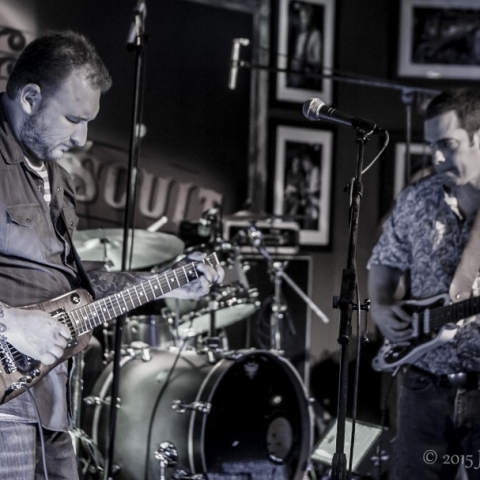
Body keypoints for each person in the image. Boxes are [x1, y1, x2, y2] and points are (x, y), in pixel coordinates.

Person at [0, 30, 224, 479]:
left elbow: (82, 290)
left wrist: (171, 279)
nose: (83, 137)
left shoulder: (55, 177)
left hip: (51, 399)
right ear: (29, 98)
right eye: (72, 118)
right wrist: (10, 322)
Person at [368, 88, 480, 479]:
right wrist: (380, 306)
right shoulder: (418, 198)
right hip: (423, 385)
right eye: (432, 146)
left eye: (448, 145)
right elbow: (383, 262)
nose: (436, 157)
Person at [287, 2, 322, 89]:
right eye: (301, 18)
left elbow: (317, 60)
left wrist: (306, 63)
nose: (303, 21)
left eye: (305, 18)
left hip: (309, 74)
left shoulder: (316, 35)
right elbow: (297, 56)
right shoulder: (301, 37)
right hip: (298, 73)